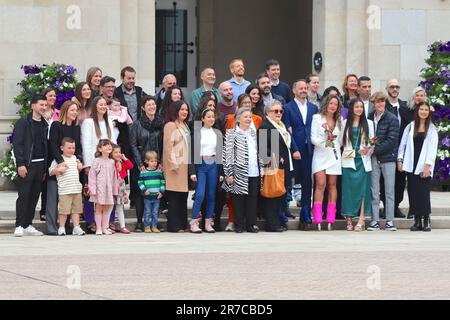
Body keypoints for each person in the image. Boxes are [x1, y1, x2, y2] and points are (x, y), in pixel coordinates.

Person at [258, 100, 300, 232]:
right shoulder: (266, 125)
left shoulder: (280, 125)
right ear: (268, 113)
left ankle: (276, 221)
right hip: (273, 166)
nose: (279, 113)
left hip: (284, 166)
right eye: (275, 111)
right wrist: (275, 155)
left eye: (281, 111)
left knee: (280, 196)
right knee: (272, 196)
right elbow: (262, 148)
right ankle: (271, 224)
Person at [282, 79, 319, 228]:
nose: (304, 90)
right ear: (294, 90)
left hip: (309, 149)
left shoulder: (313, 108)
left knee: (307, 182)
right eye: (301, 88)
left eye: (305, 88)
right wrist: (294, 149)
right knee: (287, 182)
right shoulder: (287, 108)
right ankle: (283, 212)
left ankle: (305, 213)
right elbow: (286, 130)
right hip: (294, 150)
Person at [398, 103, 438, 232]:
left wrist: (428, 165)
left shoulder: (431, 129)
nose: (424, 112)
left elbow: (433, 148)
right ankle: (417, 221)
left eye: (426, 110)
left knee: (424, 193)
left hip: (424, 165)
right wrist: (400, 160)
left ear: (428, 112)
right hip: (411, 164)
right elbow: (402, 145)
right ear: (417, 111)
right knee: (413, 192)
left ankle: (426, 220)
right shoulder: (410, 127)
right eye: (422, 109)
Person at [13, 95, 48, 237]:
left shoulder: (45, 124)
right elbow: (17, 144)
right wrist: (20, 164)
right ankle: (19, 225)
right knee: (24, 196)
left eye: (45, 105)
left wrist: (45, 168)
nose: (44, 108)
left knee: (34, 196)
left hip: (40, 166)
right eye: (41, 105)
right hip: (27, 165)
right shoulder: (23, 122)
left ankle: (28, 224)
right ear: (33, 106)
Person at [223, 107, 262, 233]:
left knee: (252, 199)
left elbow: (257, 152)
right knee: (238, 200)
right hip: (238, 172)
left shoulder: (253, 133)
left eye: (249, 117)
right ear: (238, 119)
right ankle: (238, 225)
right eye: (245, 117)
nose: (248, 119)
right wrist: (228, 173)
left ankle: (251, 225)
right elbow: (227, 155)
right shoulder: (231, 134)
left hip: (254, 171)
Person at [47, 101, 83, 235]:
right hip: (58, 165)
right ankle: (52, 227)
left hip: (72, 167)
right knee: (55, 199)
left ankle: (70, 227)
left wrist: (79, 160)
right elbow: (53, 144)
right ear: (65, 111)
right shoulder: (56, 125)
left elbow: (78, 147)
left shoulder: (76, 127)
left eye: (76, 110)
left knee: (72, 200)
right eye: (72, 110)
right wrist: (61, 162)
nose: (75, 113)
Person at [81, 96, 115, 233]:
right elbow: (86, 144)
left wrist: (115, 160)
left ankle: (108, 223)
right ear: (95, 106)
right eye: (100, 104)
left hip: (108, 162)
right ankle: (92, 222)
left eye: (105, 104)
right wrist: (88, 165)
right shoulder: (88, 122)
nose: (103, 107)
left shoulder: (109, 121)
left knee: (109, 192)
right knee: (92, 193)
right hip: (94, 163)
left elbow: (113, 142)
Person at [340, 98, 375, 232]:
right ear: (351, 109)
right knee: (348, 191)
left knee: (363, 191)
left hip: (363, 161)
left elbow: (373, 141)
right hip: (349, 160)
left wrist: (368, 149)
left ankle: (361, 219)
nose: (359, 109)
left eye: (361, 107)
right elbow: (340, 142)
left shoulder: (369, 124)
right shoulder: (344, 123)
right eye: (356, 107)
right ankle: (348, 218)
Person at [367, 92, 400, 232]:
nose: (380, 104)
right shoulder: (369, 117)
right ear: (373, 104)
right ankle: (374, 220)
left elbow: (392, 141)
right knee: (374, 190)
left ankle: (389, 221)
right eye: (378, 102)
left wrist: (374, 150)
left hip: (388, 158)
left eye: (382, 101)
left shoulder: (392, 118)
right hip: (373, 158)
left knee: (389, 191)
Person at [382, 79, 414, 219]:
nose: (395, 89)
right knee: (385, 179)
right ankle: (386, 207)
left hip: (402, 149)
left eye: (397, 87)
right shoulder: (383, 105)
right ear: (387, 89)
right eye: (392, 87)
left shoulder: (405, 107)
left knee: (400, 179)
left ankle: (395, 206)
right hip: (386, 148)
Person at [311, 95, 343, 231]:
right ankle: (317, 216)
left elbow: (340, 141)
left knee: (332, 185)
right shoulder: (317, 118)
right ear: (326, 104)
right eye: (331, 103)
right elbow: (313, 138)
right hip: (320, 154)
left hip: (334, 155)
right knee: (320, 184)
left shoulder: (340, 120)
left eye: (335, 104)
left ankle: (331, 216)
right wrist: (324, 142)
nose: (333, 106)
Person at [188, 108, 223, 233]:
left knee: (211, 195)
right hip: (201, 165)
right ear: (202, 119)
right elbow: (191, 154)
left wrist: (221, 173)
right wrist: (192, 171)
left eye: (213, 116)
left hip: (214, 164)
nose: (211, 119)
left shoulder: (218, 133)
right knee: (200, 194)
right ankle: (194, 222)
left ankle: (208, 222)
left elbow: (221, 154)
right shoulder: (197, 133)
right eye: (208, 117)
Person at [163, 101, 191, 232]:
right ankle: (174, 225)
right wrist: (173, 163)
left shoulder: (185, 125)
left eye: (186, 109)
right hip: (175, 166)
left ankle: (182, 224)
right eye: (181, 109)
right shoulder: (170, 125)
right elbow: (169, 147)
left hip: (185, 166)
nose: (184, 112)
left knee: (182, 196)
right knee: (174, 196)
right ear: (175, 110)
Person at [48, 138, 85, 236]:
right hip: (65, 190)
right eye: (69, 148)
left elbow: (79, 170)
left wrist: (80, 166)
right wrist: (58, 170)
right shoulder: (59, 159)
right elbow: (50, 171)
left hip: (76, 189)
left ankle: (76, 227)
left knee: (76, 210)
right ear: (62, 148)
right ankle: (61, 227)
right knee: (64, 211)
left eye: (73, 148)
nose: (71, 150)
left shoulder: (75, 158)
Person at [88, 139, 117, 235]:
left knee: (106, 208)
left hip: (108, 189)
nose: (108, 147)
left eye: (109, 145)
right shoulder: (97, 161)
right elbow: (92, 176)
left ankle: (105, 227)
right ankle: (98, 228)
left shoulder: (112, 162)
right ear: (100, 149)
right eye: (105, 145)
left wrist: (114, 190)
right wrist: (92, 189)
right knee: (98, 208)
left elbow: (114, 177)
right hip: (99, 188)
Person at [39, 87, 58, 221]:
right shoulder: (39, 112)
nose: (52, 98)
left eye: (54, 96)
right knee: (44, 182)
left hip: (54, 150)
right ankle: (43, 210)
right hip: (42, 150)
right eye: (50, 96)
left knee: (53, 182)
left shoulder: (57, 112)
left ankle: (51, 209)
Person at [138, 151, 166, 233]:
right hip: (147, 197)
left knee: (155, 212)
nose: (154, 163)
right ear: (146, 161)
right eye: (152, 161)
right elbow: (140, 182)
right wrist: (144, 190)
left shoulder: (159, 172)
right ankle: (147, 226)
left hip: (156, 197)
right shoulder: (143, 172)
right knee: (147, 212)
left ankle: (154, 226)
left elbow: (162, 182)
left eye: (155, 161)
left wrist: (161, 192)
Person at [111, 144, 134, 234]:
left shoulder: (122, 162)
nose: (118, 154)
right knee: (110, 208)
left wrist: (124, 158)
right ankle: (107, 225)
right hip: (112, 188)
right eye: (115, 152)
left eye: (119, 152)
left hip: (121, 188)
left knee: (120, 208)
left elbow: (131, 166)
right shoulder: (110, 163)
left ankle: (123, 226)